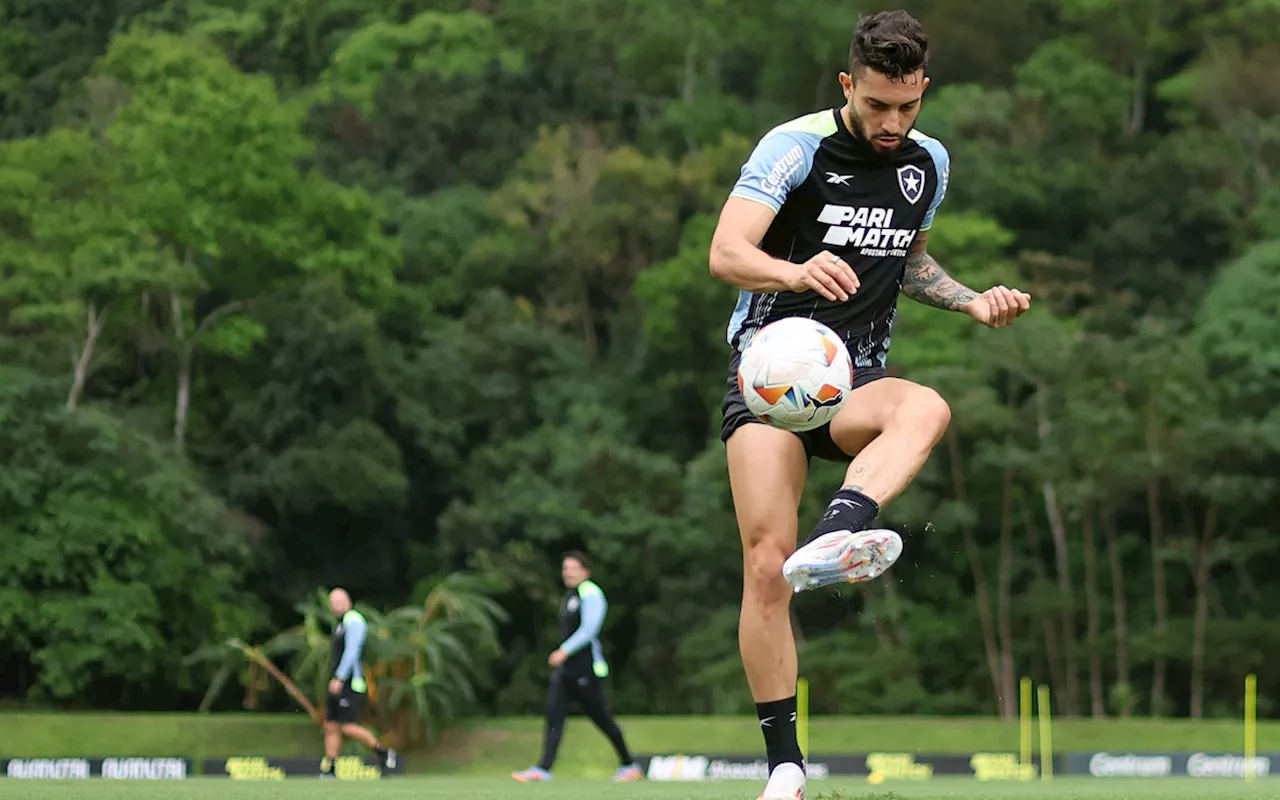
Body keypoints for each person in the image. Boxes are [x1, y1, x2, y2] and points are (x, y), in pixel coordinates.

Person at [708, 10, 1031, 800]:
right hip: (770, 381)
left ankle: (841, 529)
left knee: (926, 406)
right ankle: (785, 767)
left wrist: (967, 302)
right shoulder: (794, 148)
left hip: (853, 380)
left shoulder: (929, 164)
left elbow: (910, 261)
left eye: (908, 106)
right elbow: (725, 253)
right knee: (762, 565)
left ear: (923, 90)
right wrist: (794, 274)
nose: (893, 123)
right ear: (848, 84)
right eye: (878, 105)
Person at [511, 551, 643, 784]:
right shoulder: (570, 596)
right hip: (566, 672)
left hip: (587, 669)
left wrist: (564, 650)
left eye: (573, 568)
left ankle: (629, 765)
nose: (568, 573)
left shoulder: (591, 593)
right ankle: (543, 769)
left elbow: (589, 629)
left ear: (585, 571)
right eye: (565, 568)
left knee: (602, 719)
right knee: (554, 716)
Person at [320, 588, 397, 779]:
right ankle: (330, 768)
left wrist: (339, 677)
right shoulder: (340, 624)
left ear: (348, 602)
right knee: (330, 724)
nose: (335, 606)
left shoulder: (354, 620)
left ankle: (383, 752)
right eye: (332, 603)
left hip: (349, 682)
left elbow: (352, 652)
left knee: (347, 726)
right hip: (337, 681)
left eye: (339, 602)